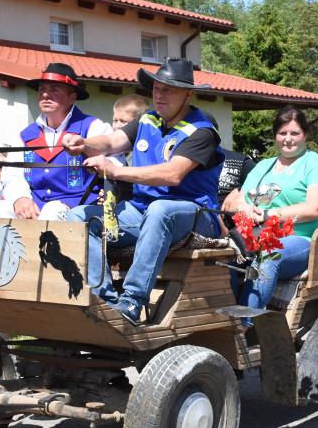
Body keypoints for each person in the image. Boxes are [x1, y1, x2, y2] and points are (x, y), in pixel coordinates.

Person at [63, 58, 224, 325]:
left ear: (189, 94)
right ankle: (102, 300)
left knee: (161, 210)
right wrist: (84, 143)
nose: (160, 95)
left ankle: (132, 302)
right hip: (143, 212)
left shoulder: (201, 131)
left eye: (168, 90)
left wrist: (114, 172)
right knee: (80, 216)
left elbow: (173, 174)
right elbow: (112, 142)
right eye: (156, 88)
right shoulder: (147, 119)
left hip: (196, 214)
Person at [223, 106, 318, 312]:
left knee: (269, 253)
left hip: (304, 240)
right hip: (257, 237)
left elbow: (315, 208)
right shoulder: (262, 166)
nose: (288, 139)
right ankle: (224, 314)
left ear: (305, 135)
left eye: (295, 133)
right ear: (275, 136)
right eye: (282, 133)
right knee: (222, 254)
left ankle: (243, 322)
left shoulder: (315, 164)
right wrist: (246, 208)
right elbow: (236, 201)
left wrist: (268, 215)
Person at [0, 62, 112, 220]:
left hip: (80, 205)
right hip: (36, 203)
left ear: (72, 97)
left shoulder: (94, 128)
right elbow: (13, 175)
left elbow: (114, 166)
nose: (45, 95)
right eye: (42, 90)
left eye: (54, 90)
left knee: (52, 212)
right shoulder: (25, 136)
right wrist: (20, 198)